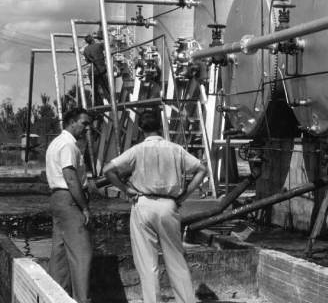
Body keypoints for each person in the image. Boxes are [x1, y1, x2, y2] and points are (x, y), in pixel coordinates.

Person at [103, 111, 207, 303]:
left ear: (141, 129)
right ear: (160, 126)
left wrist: (126, 189)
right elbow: (202, 169)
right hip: (168, 204)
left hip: (143, 203)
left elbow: (108, 169)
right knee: (176, 259)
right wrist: (184, 194)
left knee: (147, 263)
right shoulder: (175, 149)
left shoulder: (137, 150)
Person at [45, 106, 93, 303]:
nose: (87, 128)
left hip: (57, 198)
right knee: (82, 254)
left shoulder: (56, 143)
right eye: (84, 124)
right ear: (72, 122)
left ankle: (55, 296)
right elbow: (70, 178)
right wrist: (84, 207)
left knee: (61, 253)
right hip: (69, 200)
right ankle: (82, 300)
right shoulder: (68, 145)